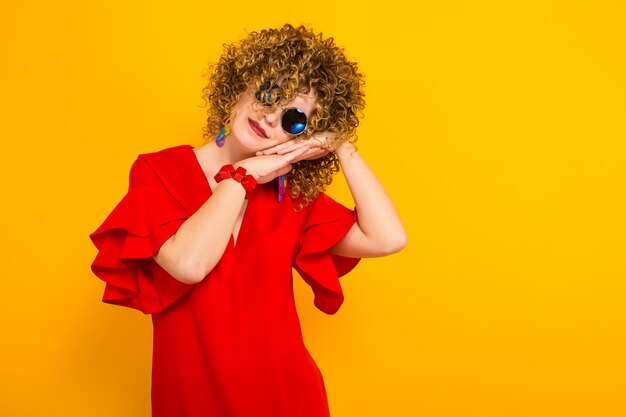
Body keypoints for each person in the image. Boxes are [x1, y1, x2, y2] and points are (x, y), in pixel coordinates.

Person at [89, 23, 406, 417]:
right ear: (240, 84)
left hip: (287, 398)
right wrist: (244, 176)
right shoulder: (159, 172)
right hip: (193, 401)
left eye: (293, 118)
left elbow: (387, 237)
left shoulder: (291, 197)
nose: (272, 117)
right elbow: (188, 265)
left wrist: (340, 144)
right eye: (269, 93)